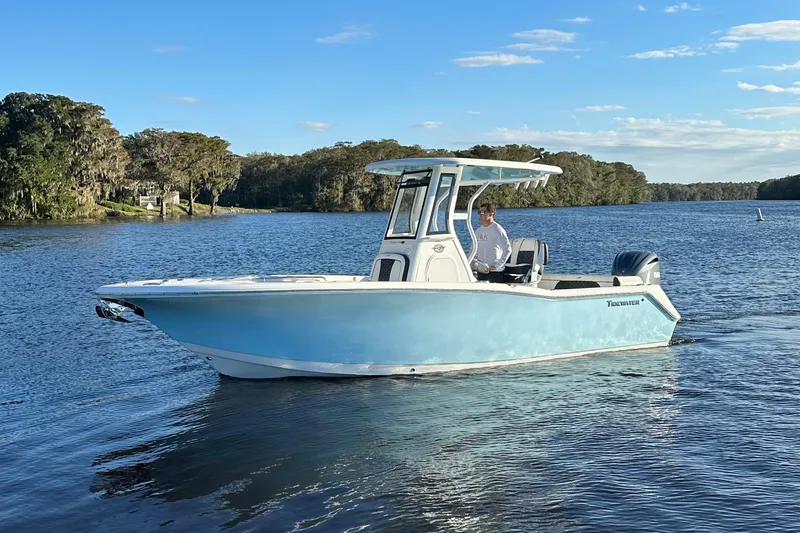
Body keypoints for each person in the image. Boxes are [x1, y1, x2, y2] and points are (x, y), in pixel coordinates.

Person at [472, 203, 511, 281]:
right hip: (481, 271)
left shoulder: (498, 230)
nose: (480, 214)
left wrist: (497, 266)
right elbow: (473, 250)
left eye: (483, 212)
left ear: (490, 214)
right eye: (479, 212)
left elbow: (507, 249)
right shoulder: (478, 231)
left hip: (495, 272)